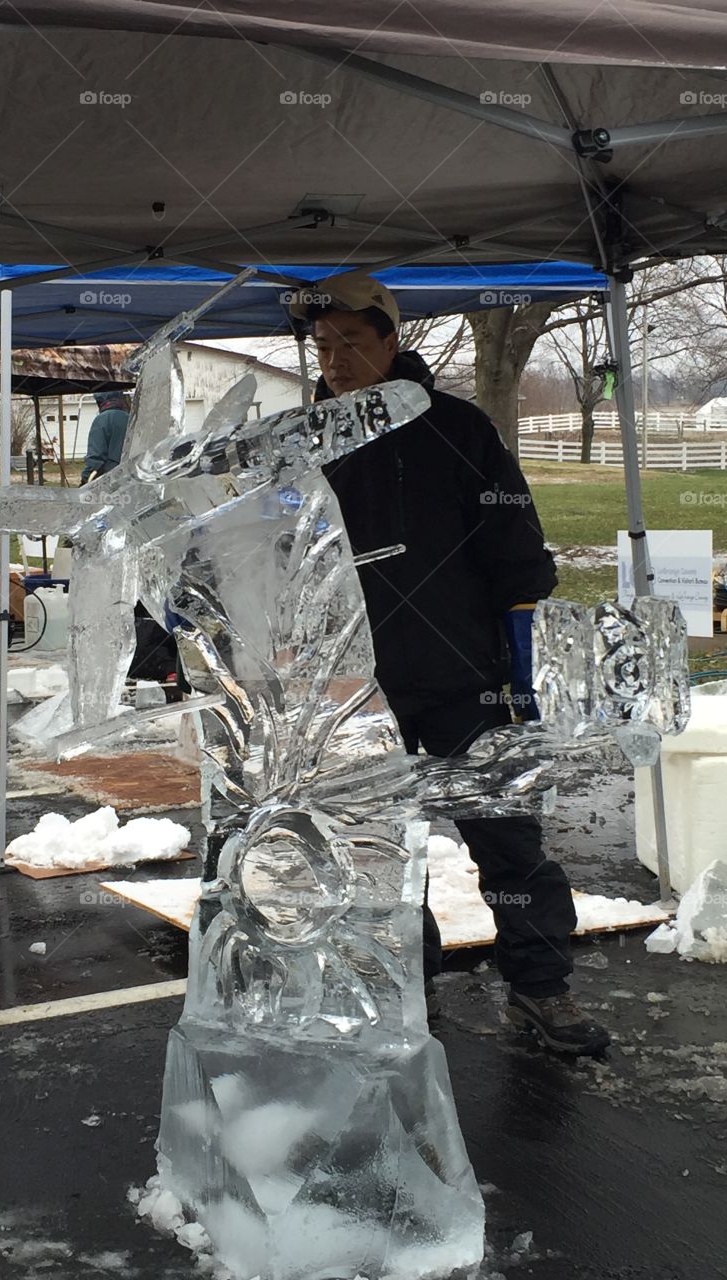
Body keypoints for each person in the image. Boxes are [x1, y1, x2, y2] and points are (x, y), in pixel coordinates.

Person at [290, 273, 610, 1056]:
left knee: (506, 839)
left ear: (391, 341)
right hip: (357, 689)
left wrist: (522, 663)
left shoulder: (458, 429)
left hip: (471, 675)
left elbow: (519, 554)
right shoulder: (307, 439)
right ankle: (406, 992)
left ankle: (541, 989)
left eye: (351, 344)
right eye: (324, 346)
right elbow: (282, 560)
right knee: (379, 851)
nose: (334, 360)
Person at [80, 390, 131, 483]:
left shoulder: (102, 419)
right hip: (129, 476)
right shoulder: (130, 418)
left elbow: (96, 456)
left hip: (109, 479)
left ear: (99, 402)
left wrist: (85, 479)